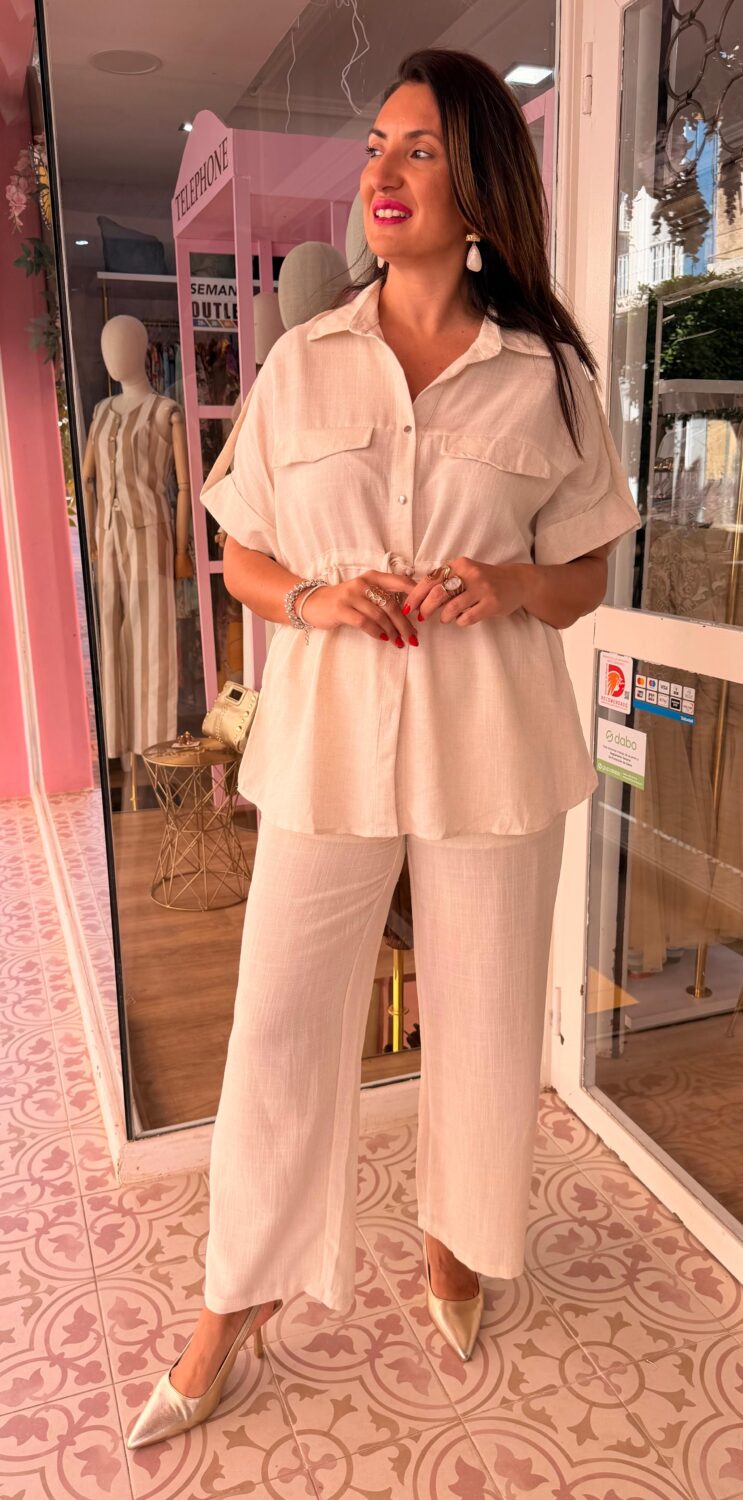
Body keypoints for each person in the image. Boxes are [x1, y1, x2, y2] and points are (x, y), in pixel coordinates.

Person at [126, 46, 641, 1450]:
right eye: (375, 147)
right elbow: (242, 556)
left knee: (484, 1015)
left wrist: (511, 584)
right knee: (280, 1026)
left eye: (419, 148)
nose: (384, 173)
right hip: (328, 742)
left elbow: (584, 572)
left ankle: (454, 1247)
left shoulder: (546, 376)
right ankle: (233, 1304)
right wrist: (316, 600)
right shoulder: (302, 362)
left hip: (494, 744)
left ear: (478, 183)